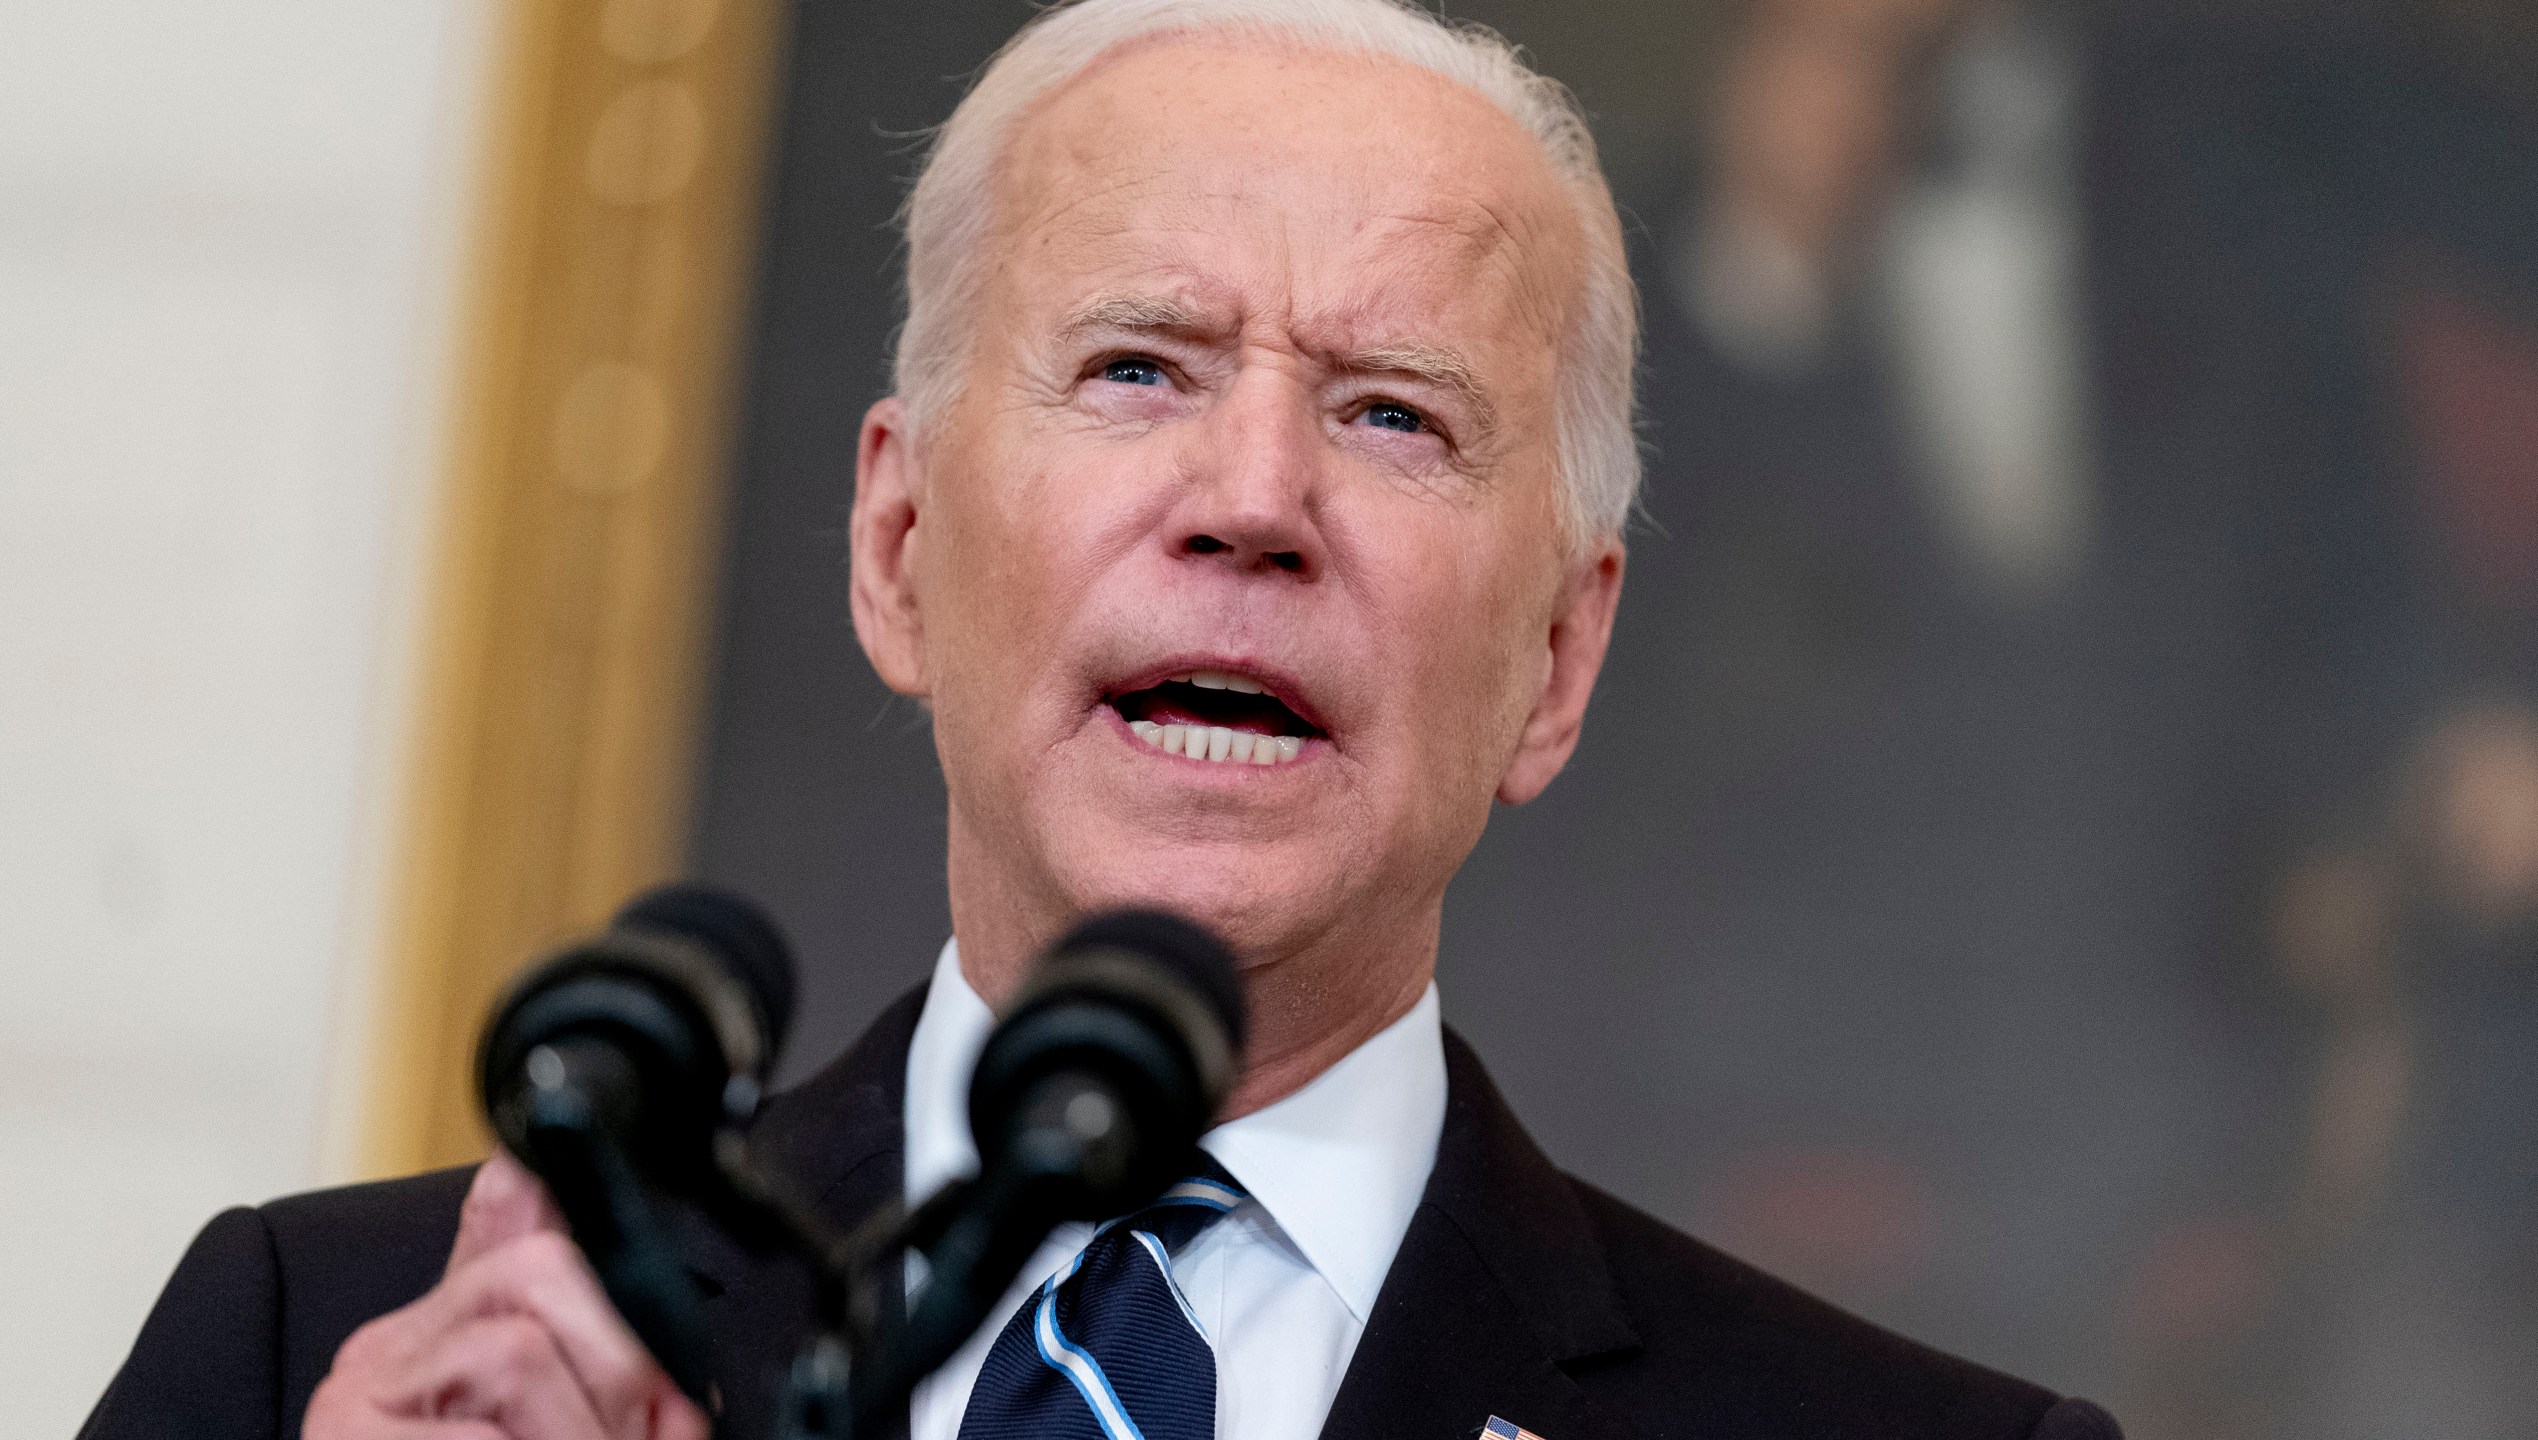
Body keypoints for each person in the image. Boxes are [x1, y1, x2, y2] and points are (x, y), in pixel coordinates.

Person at [82, 2, 2121, 1437]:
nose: (1251, 499)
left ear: (1554, 663)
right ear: (896, 546)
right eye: (1139, 369)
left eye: (1391, 413)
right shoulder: (329, 1353)